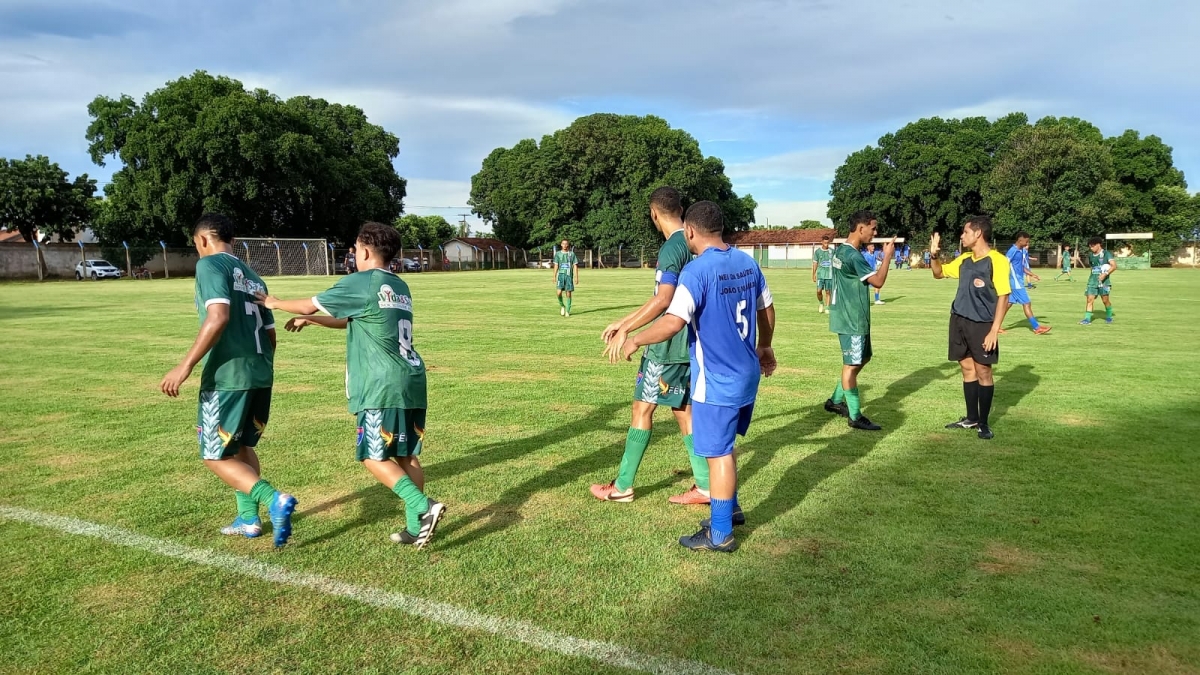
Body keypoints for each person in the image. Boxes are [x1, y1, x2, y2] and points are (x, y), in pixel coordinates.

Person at [258, 222, 446, 549]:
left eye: (355, 248)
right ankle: (416, 527)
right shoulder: (398, 285)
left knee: (372, 456)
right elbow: (352, 318)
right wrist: (313, 321)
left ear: (366, 251)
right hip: (411, 379)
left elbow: (308, 303)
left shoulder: (362, 281)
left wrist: (275, 303)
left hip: (380, 384)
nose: (353, 253)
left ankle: (423, 506)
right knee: (406, 456)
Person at [618, 201, 775, 552]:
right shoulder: (747, 262)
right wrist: (765, 346)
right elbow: (766, 307)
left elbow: (673, 322)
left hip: (717, 379)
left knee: (718, 454)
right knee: (725, 446)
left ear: (689, 231)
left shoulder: (697, 271)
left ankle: (719, 534)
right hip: (747, 373)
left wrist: (635, 339)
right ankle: (730, 509)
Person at [158, 213, 298, 547]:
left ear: (202, 239)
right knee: (241, 446)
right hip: (259, 373)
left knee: (214, 454)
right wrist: (259, 366)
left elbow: (218, 316)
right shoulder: (253, 277)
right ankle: (249, 520)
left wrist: (185, 366)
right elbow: (271, 335)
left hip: (227, 377)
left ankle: (274, 499)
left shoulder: (209, 265)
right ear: (233, 239)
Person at [593, 187, 709, 505]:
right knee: (684, 412)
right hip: (690, 341)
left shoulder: (671, 248)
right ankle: (705, 486)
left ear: (654, 213)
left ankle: (622, 486)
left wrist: (628, 331)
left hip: (666, 344)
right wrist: (624, 320)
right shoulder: (694, 242)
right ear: (681, 210)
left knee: (642, 408)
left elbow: (663, 299)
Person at [930, 216, 1011, 440]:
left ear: (978, 233)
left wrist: (994, 330)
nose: (962, 236)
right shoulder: (965, 259)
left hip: (982, 324)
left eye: (965, 232)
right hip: (959, 320)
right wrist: (934, 255)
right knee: (967, 369)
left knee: (983, 371)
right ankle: (971, 418)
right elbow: (938, 273)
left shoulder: (997, 260)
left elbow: (1004, 296)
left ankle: (983, 423)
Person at [824, 211, 894, 431]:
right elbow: (878, 282)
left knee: (863, 358)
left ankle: (835, 400)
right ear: (861, 228)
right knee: (852, 365)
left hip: (852, 316)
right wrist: (887, 256)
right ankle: (855, 416)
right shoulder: (854, 256)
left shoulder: (841, 250)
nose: (876, 232)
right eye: (873, 228)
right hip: (851, 319)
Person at [999, 232, 1051, 334]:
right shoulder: (1012, 251)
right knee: (1027, 303)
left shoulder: (1021, 251)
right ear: (1020, 240)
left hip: (1018, 281)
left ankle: (996, 326)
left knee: (1007, 305)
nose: (1027, 243)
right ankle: (1037, 328)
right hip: (1015, 283)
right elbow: (1004, 264)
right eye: (1026, 241)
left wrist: (1032, 274)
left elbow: (1021, 267)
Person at [1080, 237, 1117, 324]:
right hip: (1092, 281)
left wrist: (1105, 274)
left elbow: (1114, 266)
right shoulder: (1090, 255)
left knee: (1105, 300)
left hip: (1104, 282)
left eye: (1092, 246)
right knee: (1089, 299)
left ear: (1098, 245)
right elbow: (1092, 267)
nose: (1091, 248)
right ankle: (1087, 319)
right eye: (1090, 246)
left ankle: (1109, 317)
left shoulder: (1106, 254)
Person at [553, 239, 579, 316]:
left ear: (568, 245)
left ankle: (567, 310)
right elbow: (556, 265)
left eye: (566, 244)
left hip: (568, 276)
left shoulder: (572, 254)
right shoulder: (558, 254)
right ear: (561, 244)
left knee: (568, 293)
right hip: (561, 276)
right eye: (563, 243)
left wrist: (576, 277)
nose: (564, 245)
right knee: (558, 293)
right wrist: (554, 276)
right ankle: (562, 306)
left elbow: (575, 265)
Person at [811, 233, 834, 313]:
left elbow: (835, 262)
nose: (826, 244)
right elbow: (815, 263)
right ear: (822, 242)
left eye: (827, 243)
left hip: (829, 275)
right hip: (820, 275)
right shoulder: (817, 252)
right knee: (819, 291)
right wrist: (813, 274)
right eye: (825, 243)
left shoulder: (832, 251)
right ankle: (821, 303)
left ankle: (827, 307)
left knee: (828, 292)